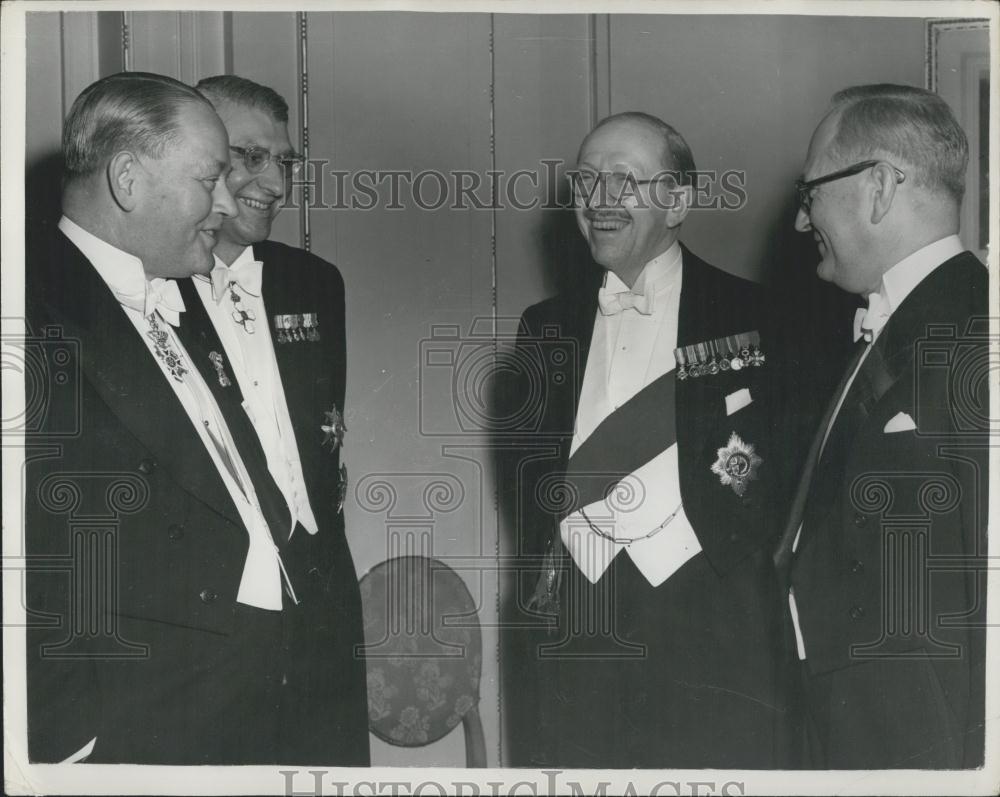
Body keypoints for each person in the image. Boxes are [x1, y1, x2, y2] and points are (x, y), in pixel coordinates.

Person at [24, 71, 351, 765]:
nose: (230, 200)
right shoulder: (30, 306)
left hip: (240, 685)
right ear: (129, 180)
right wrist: (63, 737)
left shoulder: (164, 292)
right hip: (137, 713)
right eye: (212, 178)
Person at [503, 112, 801, 768]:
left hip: (713, 618)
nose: (600, 200)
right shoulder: (544, 326)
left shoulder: (760, 315)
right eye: (587, 180)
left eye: (625, 180)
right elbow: (535, 485)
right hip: (584, 618)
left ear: (678, 200)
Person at [776, 83, 988, 768]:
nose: (802, 222)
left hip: (921, 743)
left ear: (878, 187)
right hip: (857, 723)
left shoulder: (972, 332)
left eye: (810, 194)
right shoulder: (892, 323)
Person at [190, 73, 369, 765]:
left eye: (285, 161)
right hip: (216, 607)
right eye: (248, 156)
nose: (274, 181)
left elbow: (320, 448)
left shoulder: (314, 283)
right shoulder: (147, 284)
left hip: (323, 592)